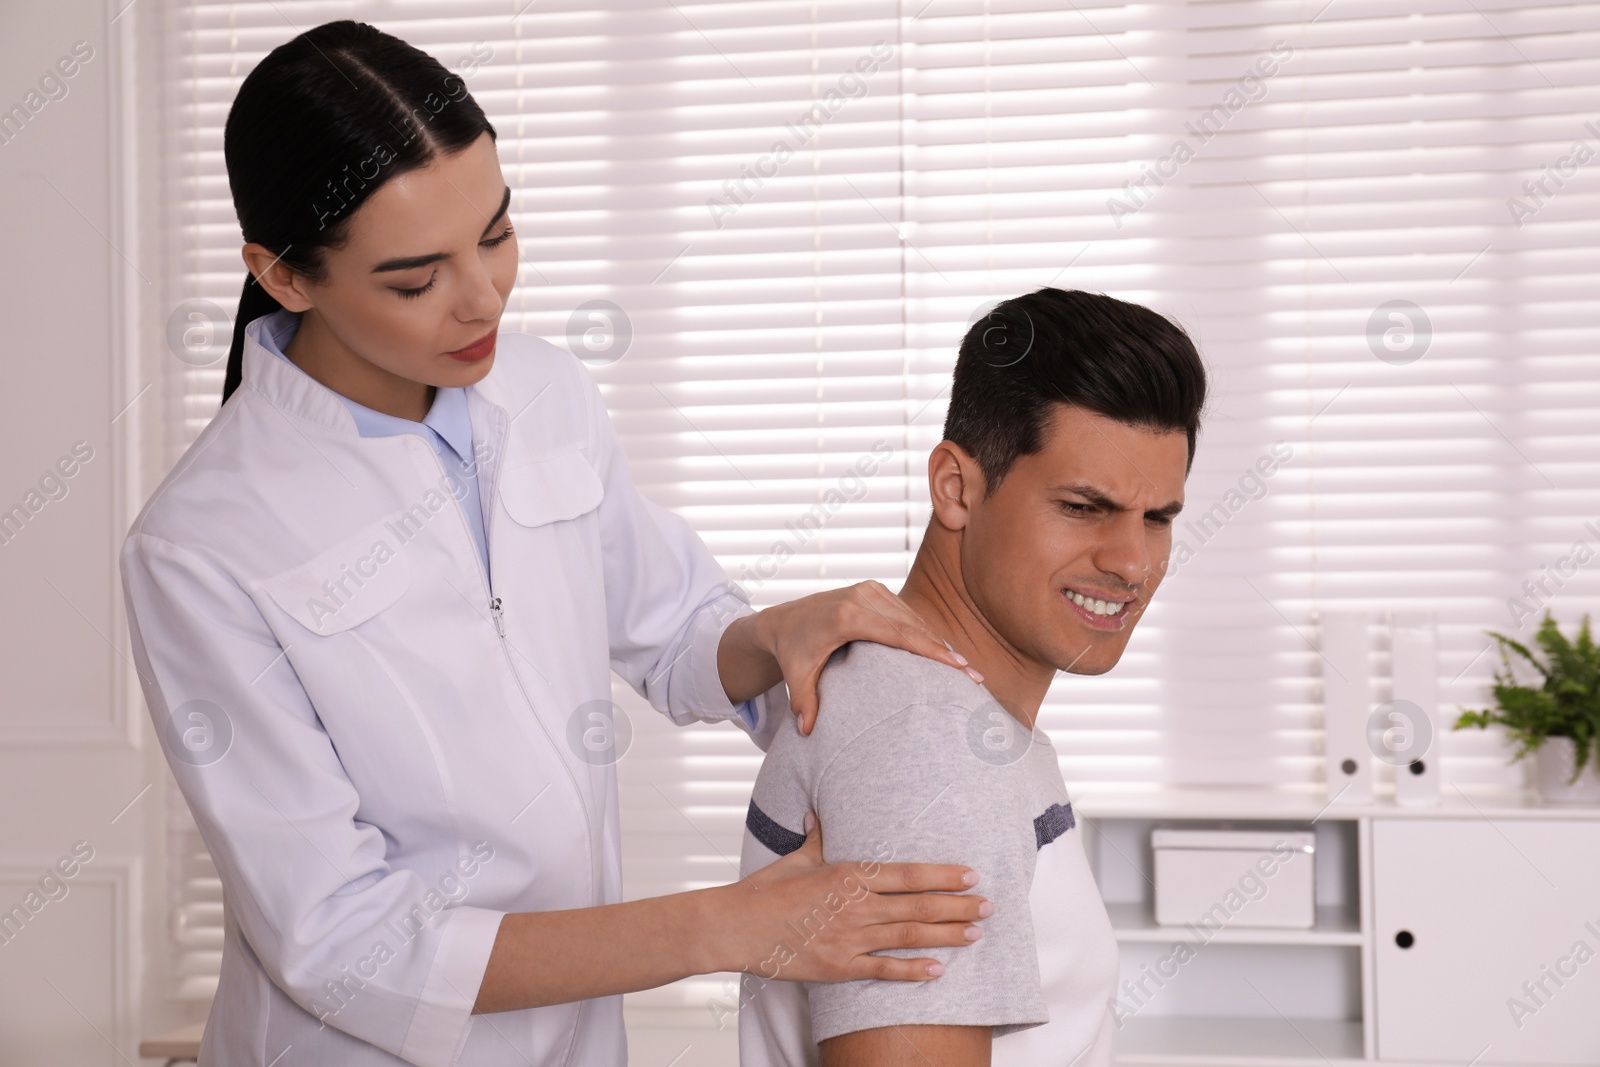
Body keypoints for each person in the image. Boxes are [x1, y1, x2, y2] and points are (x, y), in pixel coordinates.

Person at [120, 21, 993, 1067]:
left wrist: (775, 634)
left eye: (495, 233)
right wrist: (725, 925)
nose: (485, 297)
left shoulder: (539, 392)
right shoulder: (200, 544)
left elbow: (671, 634)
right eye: (414, 279)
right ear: (285, 276)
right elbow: (344, 940)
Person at [737, 287, 1209, 1066]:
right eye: (1085, 506)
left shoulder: (933, 712)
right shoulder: (932, 750)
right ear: (957, 488)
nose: (1132, 561)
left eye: (1157, 516)